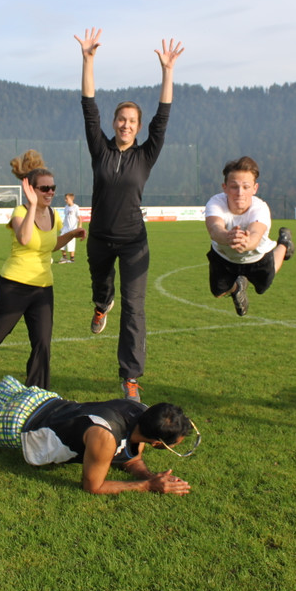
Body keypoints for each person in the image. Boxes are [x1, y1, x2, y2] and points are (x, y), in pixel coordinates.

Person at [0, 322, 197, 495]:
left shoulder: (138, 409)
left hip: (41, 400)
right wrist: (146, 486)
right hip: (21, 423)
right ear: (156, 442)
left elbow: (131, 456)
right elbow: (93, 486)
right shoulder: (104, 439)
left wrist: (150, 475)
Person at [73, 27, 184, 401]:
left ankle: (130, 378)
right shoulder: (100, 150)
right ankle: (101, 305)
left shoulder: (145, 155)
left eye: (132, 121)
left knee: (134, 309)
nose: (125, 125)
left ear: (137, 127)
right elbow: (89, 107)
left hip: (134, 242)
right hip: (100, 239)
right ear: (114, 123)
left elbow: (162, 118)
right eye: (121, 119)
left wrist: (167, 72)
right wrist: (88, 60)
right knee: (102, 290)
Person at [0, 150, 85, 389]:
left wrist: (72, 234)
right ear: (31, 190)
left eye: (52, 188)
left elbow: (49, 245)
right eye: (44, 188)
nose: (50, 192)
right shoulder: (20, 213)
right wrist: (33, 206)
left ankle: (38, 391)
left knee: (42, 342)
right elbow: (25, 239)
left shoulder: (54, 215)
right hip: (14, 285)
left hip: (43, 287)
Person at [204, 156, 295, 316]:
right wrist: (228, 237)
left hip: (256, 257)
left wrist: (247, 243)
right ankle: (238, 287)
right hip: (224, 256)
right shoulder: (215, 203)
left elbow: (255, 234)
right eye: (234, 187)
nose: (240, 193)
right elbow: (214, 228)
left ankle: (284, 243)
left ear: (255, 188)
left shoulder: (260, 208)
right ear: (225, 187)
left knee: (262, 287)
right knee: (218, 292)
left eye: (246, 187)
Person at [57, 193, 81, 264]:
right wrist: (62, 227)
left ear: (71, 199)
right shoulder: (66, 207)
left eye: (66, 199)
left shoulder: (76, 207)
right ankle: (64, 257)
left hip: (72, 228)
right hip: (65, 228)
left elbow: (79, 218)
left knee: (71, 243)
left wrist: (80, 226)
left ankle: (72, 259)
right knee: (61, 241)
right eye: (65, 198)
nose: (65, 200)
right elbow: (66, 217)